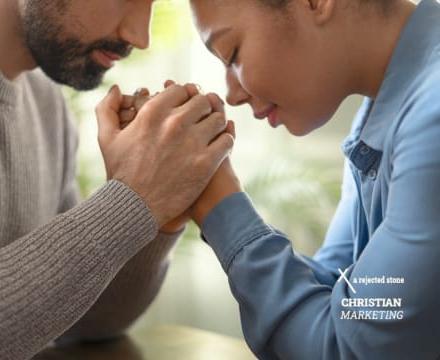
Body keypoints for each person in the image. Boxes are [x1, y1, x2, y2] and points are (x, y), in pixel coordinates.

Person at [0, 0, 234, 358]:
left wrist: (159, 210)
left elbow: (84, 323)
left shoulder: (48, 106)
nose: (140, 36)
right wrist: (132, 199)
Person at [184, 0, 440, 358]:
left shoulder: (432, 118)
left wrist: (218, 203)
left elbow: (344, 347)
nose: (231, 94)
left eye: (233, 54)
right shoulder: (385, 112)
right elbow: (339, 289)